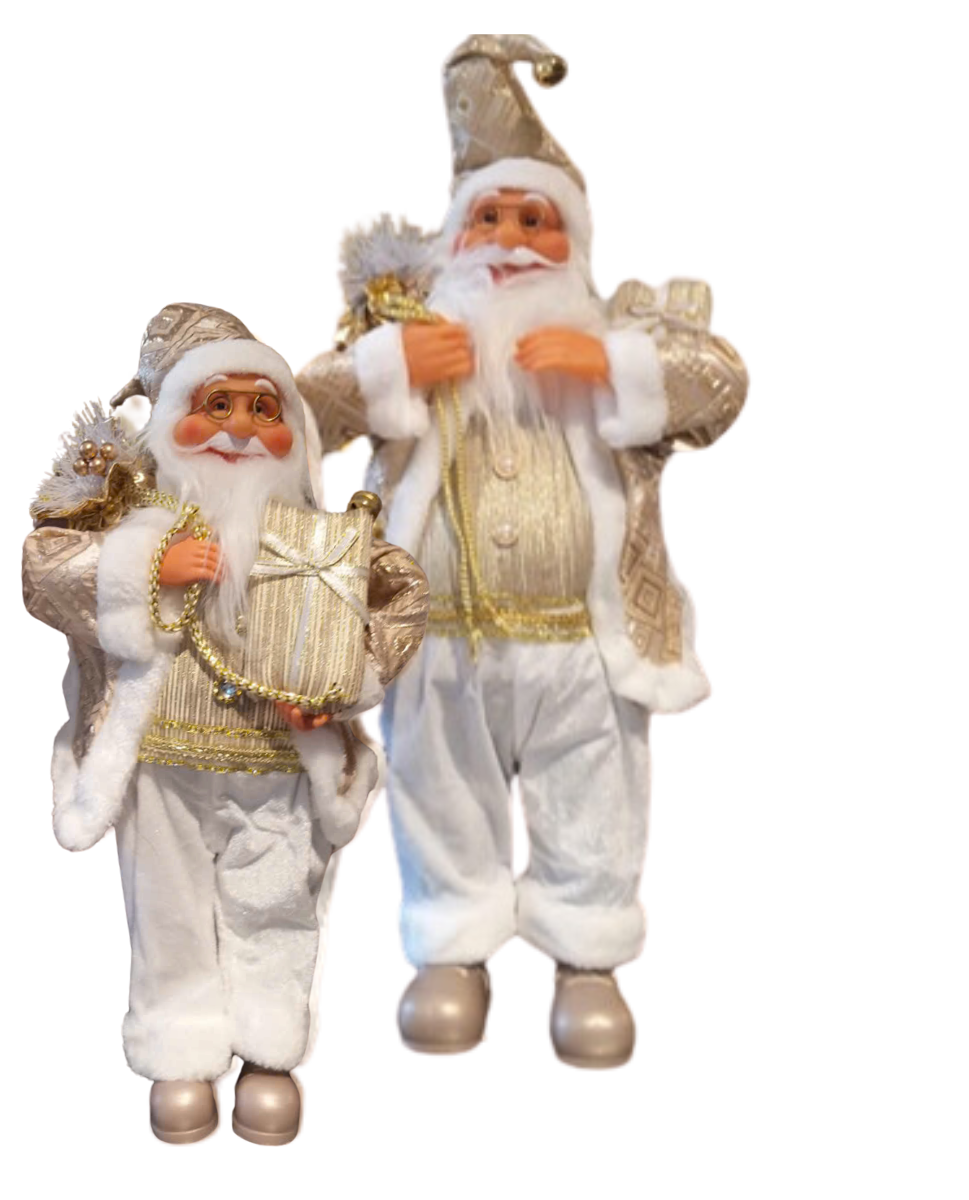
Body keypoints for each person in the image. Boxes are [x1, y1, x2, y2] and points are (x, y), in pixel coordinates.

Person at [295, 34, 752, 1071]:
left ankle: (588, 954)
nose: (509, 240)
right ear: (454, 240)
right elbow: (300, 420)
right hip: (436, 638)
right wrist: (388, 367)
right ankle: (452, 947)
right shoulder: (407, 339)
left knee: (595, 788)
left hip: (584, 639)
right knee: (438, 790)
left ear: (575, 241)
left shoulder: (620, 325)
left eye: (534, 221)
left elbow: (719, 388)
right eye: (488, 220)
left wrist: (609, 364)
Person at [21, 302, 428, 1143]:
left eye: (262, 408)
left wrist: (343, 680)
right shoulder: (131, 518)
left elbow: (400, 594)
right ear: (172, 418)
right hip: (162, 757)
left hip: (278, 758)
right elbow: (44, 568)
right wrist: (149, 565)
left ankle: (272, 1047)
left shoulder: (319, 537)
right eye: (217, 405)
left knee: (276, 902)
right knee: (167, 908)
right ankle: (179, 1052)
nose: (240, 428)